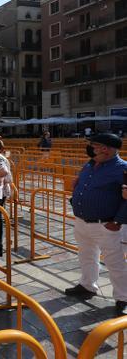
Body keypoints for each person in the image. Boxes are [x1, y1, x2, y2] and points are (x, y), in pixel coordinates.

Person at [64, 134, 127, 316]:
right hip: (83, 222)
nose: (91, 148)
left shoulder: (122, 169)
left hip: (106, 224)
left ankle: (123, 297)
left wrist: (118, 221)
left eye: (94, 145)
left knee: (114, 262)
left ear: (106, 148)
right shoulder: (90, 165)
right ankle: (87, 285)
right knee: (86, 255)